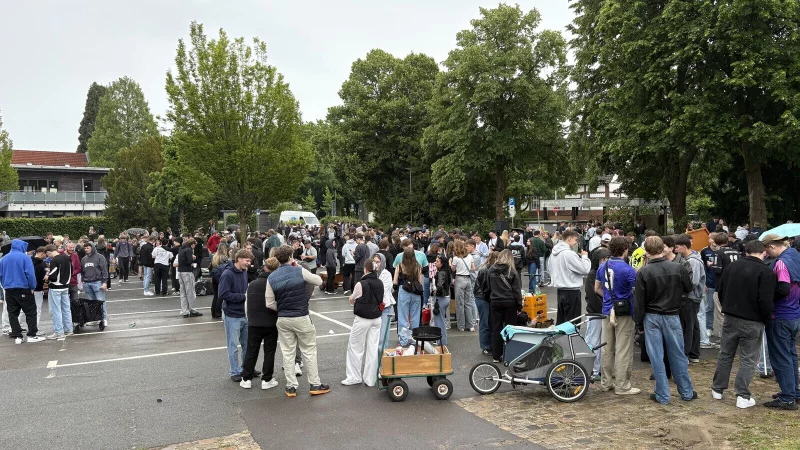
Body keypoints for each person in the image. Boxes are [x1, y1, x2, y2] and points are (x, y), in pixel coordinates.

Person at [712, 239, 776, 409]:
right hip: (753, 320)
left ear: (746, 251)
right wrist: (766, 317)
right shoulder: (766, 272)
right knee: (748, 359)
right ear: (764, 252)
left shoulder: (732, 267)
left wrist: (727, 308)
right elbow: (765, 301)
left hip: (731, 317)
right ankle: (742, 395)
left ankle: (718, 388)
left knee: (726, 353)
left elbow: (721, 290)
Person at [634, 236, 696, 404]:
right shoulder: (677, 267)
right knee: (678, 354)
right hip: (672, 314)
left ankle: (663, 394)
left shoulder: (644, 272)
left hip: (652, 316)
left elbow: (639, 301)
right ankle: (686, 391)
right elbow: (689, 288)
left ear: (646, 251)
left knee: (657, 356)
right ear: (663, 249)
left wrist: (639, 324)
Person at [265, 245, 329, 397]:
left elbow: (269, 303)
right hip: (301, 315)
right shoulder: (299, 270)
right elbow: (318, 281)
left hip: (283, 318)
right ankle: (314, 384)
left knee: (288, 353)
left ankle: (291, 386)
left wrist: (281, 308)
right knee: (309, 351)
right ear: (291, 257)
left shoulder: (271, 277)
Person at [594, 237, 640, 395]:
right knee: (623, 349)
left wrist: (609, 298)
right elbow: (637, 290)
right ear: (625, 249)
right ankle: (622, 385)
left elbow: (597, 288)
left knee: (607, 349)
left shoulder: (603, 266)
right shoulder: (628, 269)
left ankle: (606, 383)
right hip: (623, 312)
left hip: (607, 310)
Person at [761, 234, 800, 410]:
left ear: (771, 246)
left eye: (766, 250)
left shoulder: (781, 263)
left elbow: (783, 288)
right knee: (791, 355)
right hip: (794, 314)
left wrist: (768, 301)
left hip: (781, 315)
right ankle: (793, 392)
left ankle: (787, 398)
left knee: (781, 356)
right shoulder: (796, 255)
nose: (767, 254)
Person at [240, 256, 280, 390]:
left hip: (254, 322)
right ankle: (267, 379)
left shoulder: (252, 284)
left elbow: (247, 304)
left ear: (264, 267)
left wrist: (249, 318)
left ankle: (246, 378)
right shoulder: (275, 284)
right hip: (271, 321)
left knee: (251, 350)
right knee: (269, 351)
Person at [342, 260, 383, 386]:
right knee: (372, 347)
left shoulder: (361, 284)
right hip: (376, 318)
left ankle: (354, 376)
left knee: (355, 346)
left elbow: (352, 298)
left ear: (365, 269)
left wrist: (352, 299)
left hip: (363, 318)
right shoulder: (380, 282)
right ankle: (370, 378)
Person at [0, 240, 44, 343]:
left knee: (12, 313)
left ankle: (17, 336)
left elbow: (1, 275)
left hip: (9, 289)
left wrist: (5, 285)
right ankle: (32, 335)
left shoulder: (3, 259)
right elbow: (30, 274)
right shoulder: (25, 258)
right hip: (23, 288)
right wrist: (32, 287)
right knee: (31, 312)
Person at [218, 249, 251, 382]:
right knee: (233, 345)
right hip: (232, 314)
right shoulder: (227, 274)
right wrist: (243, 297)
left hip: (244, 313)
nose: (249, 264)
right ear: (239, 259)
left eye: (249, 261)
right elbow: (223, 294)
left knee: (247, 344)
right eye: (247, 261)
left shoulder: (244, 271)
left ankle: (246, 368)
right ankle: (234, 371)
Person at [674, 234, 705, 363]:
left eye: (677, 247)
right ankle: (693, 353)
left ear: (684, 247)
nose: (675, 250)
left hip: (691, 297)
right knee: (693, 325)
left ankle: (686, 354)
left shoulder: (692, 261)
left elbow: (693, 282)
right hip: (692, 296)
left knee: (688, 326)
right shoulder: (691, 259)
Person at [487, 250, 523, 363]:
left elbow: (488, 287)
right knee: (510, 328)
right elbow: (516, 290)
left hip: (495, 301)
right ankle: (510, 355)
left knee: (496, 328)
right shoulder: (511, 271)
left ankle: (496, 355)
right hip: (509, 301)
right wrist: (519, 305)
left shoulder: (491, 270)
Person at [550, 230, 590, 324]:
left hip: (560, 290)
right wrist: (584, 257)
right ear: (569, 238)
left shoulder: (553, 253)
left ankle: (562, 339)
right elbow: (585, 269)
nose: (576, 242)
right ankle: (571, 339)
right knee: (573, 324)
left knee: (562, 322)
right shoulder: (569, 253)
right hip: (571, 291)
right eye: (576, 240)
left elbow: (550, 269)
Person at [585, 235, 611, 381]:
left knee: (602, 343)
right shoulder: (592, 275)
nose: (605, 262)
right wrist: (605, 309)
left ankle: (598, 369)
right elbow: (593, 296)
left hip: (603, 313)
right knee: (593, 341)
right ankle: (591, 370)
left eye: (607, 259)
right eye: (603, 259)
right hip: (596, 313)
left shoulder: (605, 273)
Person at [393, 248, 423, 346]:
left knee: (403, 316)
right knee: (415, 316)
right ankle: (414, 339)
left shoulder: (400, 266)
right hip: (415, 291)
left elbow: (395, 281)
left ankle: (404, 340)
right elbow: (420, 281)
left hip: (404, 291)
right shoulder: (417, 266)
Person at [44, 244, 73, 339]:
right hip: (66, 286)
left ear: (49, 252)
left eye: (47, 254)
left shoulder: (54, 260)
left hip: (56, 287)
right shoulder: (67, 257)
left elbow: (53, 276)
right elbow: (71, 271)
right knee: (66, 309)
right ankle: (69, 329)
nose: (48, 256)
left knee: (56, 310)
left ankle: (59, 332)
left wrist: (47, 277)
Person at [81, 241, 109, 329]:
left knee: (100, 302)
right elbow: (83, 271)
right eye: (85, 248)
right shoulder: (84, 259)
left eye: (88, 248)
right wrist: (83, 281)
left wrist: (104, 282)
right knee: (92, 303)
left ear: (92, 247)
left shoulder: (100, 257)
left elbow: (104, 270)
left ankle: (103, 319)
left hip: (97, 282)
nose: (86, 249)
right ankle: (95, 319)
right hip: (87, 283)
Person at [451, 240, 476, 332]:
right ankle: (470, 325)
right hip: (468, 279)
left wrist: (452, 265)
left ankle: (461, 325)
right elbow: (473, 268)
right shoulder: (469, 256)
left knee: (459, 304)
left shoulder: (456, 258)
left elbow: (453, 269)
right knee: (468, 303)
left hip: (459, 279)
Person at [699, 235, 718, 349]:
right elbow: (702, 267)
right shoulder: (705, 251)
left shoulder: (722, 251)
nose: (714, 242)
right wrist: (704, 282)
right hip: (710, 283)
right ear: (709, 240)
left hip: (721, 284)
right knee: (709, 307)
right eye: (712, 239)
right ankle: (709, 327)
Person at [374, 253, 396, 350]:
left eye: (378, 262)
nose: (376, 264)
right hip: (373, 309)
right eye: (374, 262)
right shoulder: (371, 273)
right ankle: (375, 363)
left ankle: (382, 363)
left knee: (382, 340)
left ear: (382, 262)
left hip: (385, 307)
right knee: (374, 339)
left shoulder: (386, 274)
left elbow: (382, 290)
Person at [177, 238, 202, 318]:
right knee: (190, 292)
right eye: (195, 245)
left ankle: (185, 311)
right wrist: (193, 258)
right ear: (193, 244)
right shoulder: (189, 250)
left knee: (183, 292)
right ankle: (192, 309)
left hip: (180, 271)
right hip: (187, 272)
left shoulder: (181, 248)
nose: (194, 247)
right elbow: (189, 262)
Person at [432, 255, 452, 346]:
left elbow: (439, 285)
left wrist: (435, 291)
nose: (435, 263)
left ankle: (441, 341)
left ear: (442, 263)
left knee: (439, 321)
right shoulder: (447, 271)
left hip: (441, 298)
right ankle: (441, 340)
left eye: (437, 262)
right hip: (446, 297)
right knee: (441, 320)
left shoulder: (441, 273)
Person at [31, 247, 47, 335]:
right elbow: (44, 278)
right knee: (37, 309)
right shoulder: (43, 264)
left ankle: (17, 326)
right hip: (38, 288)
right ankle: (35, 329)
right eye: (45, 254)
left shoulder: (29, 261)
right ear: (42, 253)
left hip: (28, 288)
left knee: (23, 310)